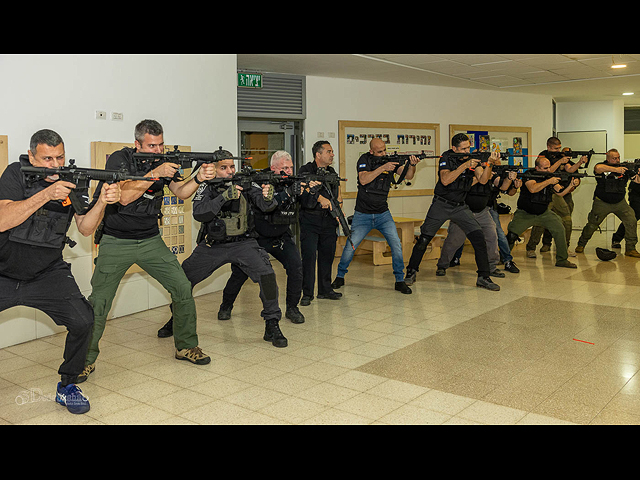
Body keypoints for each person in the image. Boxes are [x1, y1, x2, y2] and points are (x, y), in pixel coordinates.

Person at [80, 120, 215, 383]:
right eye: (151, 145)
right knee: (99, 302)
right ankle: (84, 360)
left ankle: (186, 345)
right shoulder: (120, 159)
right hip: (116, 240)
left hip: (151, 239)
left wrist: (198, 178)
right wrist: (155, 172)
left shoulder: (163, 161)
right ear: (137, 144)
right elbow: (123, 197)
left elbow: (181, 192)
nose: (157, 150)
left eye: (160, 144)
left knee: (182, 288)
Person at [0, 129, 121, 414]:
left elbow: (86, 228)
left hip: (46, 272)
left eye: (60, 157)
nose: (55, 165)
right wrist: (46, 194)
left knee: (83, 320)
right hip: (3, 270)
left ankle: (67, 386)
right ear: (31, 156)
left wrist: (103, 201)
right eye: (47, 159)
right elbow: (3, 219)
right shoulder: (16, 173)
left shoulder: (72, 180)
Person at [158, 149, 289, 348]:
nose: (230, 171)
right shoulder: (206, 186)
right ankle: (176, 318)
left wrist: (269, 197)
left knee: (267, 276)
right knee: (183, 279)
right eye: (224, 168)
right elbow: (200, 213)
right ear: (214, 169)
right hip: (213, 245)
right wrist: (223, 198)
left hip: (243, 243)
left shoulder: (244, 182)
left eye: (232, 167)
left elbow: (265, 206)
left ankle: (272, 324)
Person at [211, 150, 309, 325]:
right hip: (257, 237)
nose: (289, 171)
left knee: (296, 267)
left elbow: (306, 205)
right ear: (273, 168)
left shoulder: (293, 182)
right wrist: (286, 193)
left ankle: (293, 308)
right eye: (284, 168)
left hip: (281, 236)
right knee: (239, 273)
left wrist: (305, 191)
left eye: (291, 167)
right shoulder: (259, 180)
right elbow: (266, 205)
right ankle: (226, 305)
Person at [404, 133, 501, 292]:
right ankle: (411, 272)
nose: (466, 151)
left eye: (468, 148)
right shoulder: (446, 157)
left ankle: (483, 277)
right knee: (424, 239)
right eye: (463, 149)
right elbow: (446, 180)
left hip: (460, 207)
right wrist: (464, 165)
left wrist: (489, 164)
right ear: (454, 148)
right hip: (441, 204)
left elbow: (483, 180)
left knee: (478, 237)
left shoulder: (472, 159)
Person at [332, 138, 418, 295]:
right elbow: (363, 179)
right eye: (379, 151)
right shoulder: (364, 159)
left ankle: (399, 280)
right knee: (350, 246)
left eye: (384, 150)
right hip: (362, 214)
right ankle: (340, 276)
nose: (383, 153)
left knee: (396, 246)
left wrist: (412, 165)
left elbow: (409, 176)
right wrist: (383, 167)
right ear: (371, 151)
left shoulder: (391, 161)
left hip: (383, 214)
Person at [436, 153, 507, 279]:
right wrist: (482, 174)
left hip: (482, 212)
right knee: (453, 241)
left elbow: (502, 185)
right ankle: (442, 265)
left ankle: (491, 266)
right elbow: (478, 180)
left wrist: (511, 178)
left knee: (492, 237)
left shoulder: (490, 172)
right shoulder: (469, 171)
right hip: (464, 212)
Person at [506, 155, 579, 269]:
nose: (548, 170)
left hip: (544, 213)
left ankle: (562, 259)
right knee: (511, 235)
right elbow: (533, 188)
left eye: (549, 167)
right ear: (537, 168)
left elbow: (560, 192)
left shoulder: (549, 176)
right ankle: (503, 258)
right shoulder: (529, 174)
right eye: (545, 168)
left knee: (560, 229)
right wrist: (549, 181)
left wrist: (571, 185)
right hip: (525, 213)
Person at [299, 141, 344, 305]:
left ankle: (325, 289)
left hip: (329, 220)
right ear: (318, 154)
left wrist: (339, 208)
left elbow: (338, 194)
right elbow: (304, 188)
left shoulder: (332, 172)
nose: (332, 155)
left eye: (332, 152)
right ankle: (307, 293)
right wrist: (320, 198)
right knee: (309, 258)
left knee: (327, 256)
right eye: (329, 152)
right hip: (310, 219)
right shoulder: (305, 170)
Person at [527, 139, 588, 258]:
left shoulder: (561, 156)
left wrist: (580, 162)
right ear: (549, 147)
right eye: (556, 148)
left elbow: (570, 169)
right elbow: (548, 172)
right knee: (540, 222)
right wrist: (560, 161)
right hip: (545, 191)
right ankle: (531, 247)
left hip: (557, 192)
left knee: (567, 220)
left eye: (559, 148)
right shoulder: (543, 156)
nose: (558, 150)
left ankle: (564, 247)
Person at [575, 149, 640, 258]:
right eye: (614, 158)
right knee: (592, 224)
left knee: (631, 220)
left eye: (618, 157)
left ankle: (631, 248)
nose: (617, 160)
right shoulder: (602, 166)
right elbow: (598, 168)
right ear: (608, 158)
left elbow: (637, 180)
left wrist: (635, 173)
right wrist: (617, 169)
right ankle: (581, 244)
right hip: (602, 202)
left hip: (620, 202)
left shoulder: (625, 168)